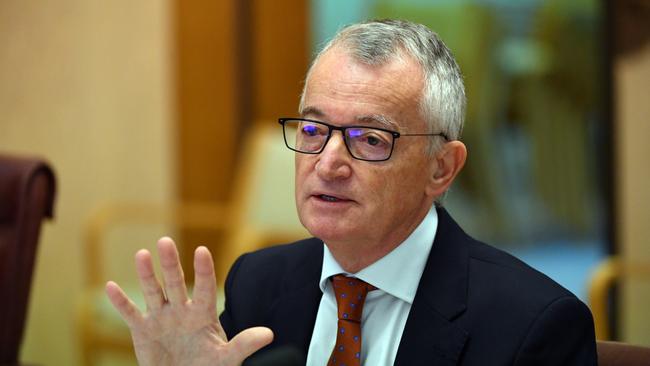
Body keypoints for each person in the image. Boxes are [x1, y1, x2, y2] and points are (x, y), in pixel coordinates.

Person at [105, 19, 597, 365]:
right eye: (314, 130)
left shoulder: (534, 324)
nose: (328, 163)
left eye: (370, 139)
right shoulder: (259, 282)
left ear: (441, 168)